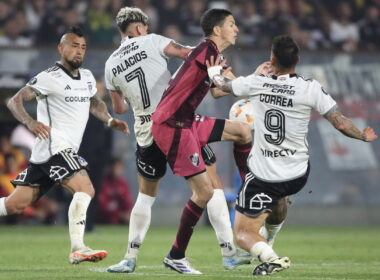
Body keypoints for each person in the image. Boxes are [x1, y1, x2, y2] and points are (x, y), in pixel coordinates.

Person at [206, 35, 378, 275]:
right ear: (297, 59)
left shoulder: (258, 83)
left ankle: (271, 257)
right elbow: (339, 122)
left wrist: (213, 69)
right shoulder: (311, 87)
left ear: (271, 59)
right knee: (279, 198)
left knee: (243, 233)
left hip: (265, 175)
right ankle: (271, 238)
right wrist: (362, 135)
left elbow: (220, 84)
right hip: (297, 173)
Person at [105, 7, 251, 274]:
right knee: (211, 185)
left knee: (146, 196)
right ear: (139, 29)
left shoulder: (110, 64)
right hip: (175, 121)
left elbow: (120, 108)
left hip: (146, 131)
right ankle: (227, 252)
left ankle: (129, 257)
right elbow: (189, 54)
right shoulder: (152, 41)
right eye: (145, 28)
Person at [1, 26, 129, 265]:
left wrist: (110, 120)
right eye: (73, 46)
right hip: (55, 146)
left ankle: (78, 246)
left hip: (48, 154)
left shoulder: (89, 77)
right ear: (61, 48)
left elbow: (96, 104)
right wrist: (29, 122)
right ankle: (78, 247)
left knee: (14, 204)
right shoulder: (50, 76)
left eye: (82, 47)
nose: (78, 51)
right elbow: (14, 100)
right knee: (86, 188)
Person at [151, 8, 253, 274]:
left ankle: (248, 188)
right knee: (204, 192)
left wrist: (255, 84)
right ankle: (176, 255)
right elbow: (222, 81)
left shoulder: (212, 55)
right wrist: (253, 86)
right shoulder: (207, 49)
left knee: (243, 131)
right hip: (172, 125)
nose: (237, 29)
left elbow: (219, 91)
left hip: (188, 120)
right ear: (217, 30)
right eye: (232, 24)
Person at [96, 157, 133, 224]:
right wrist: (119, 214)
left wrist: (128, 213)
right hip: (105, 219)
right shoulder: (103, 183)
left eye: (120, 168)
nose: (118, 170)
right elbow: (102, 205)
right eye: (116, 168)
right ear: (110, 168)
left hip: (122, 219)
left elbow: (128, 201)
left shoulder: (123, 183)